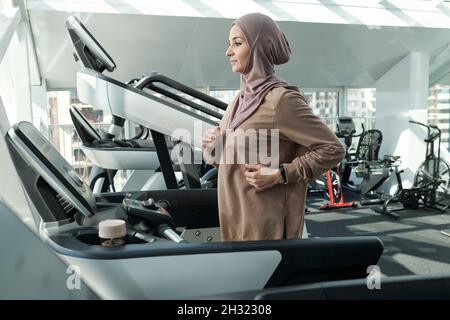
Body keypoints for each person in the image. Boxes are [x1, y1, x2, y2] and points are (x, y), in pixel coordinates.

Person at [202, 13, 345, 241]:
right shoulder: (238, 101)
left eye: (237, 43)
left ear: (260, 47)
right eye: (229, 44)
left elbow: (333, 149)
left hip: (266, 228)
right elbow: (224, 161)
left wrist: (281, 174)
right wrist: (212, 145)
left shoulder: (281, 100)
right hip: (233, 220)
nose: (228, 52)